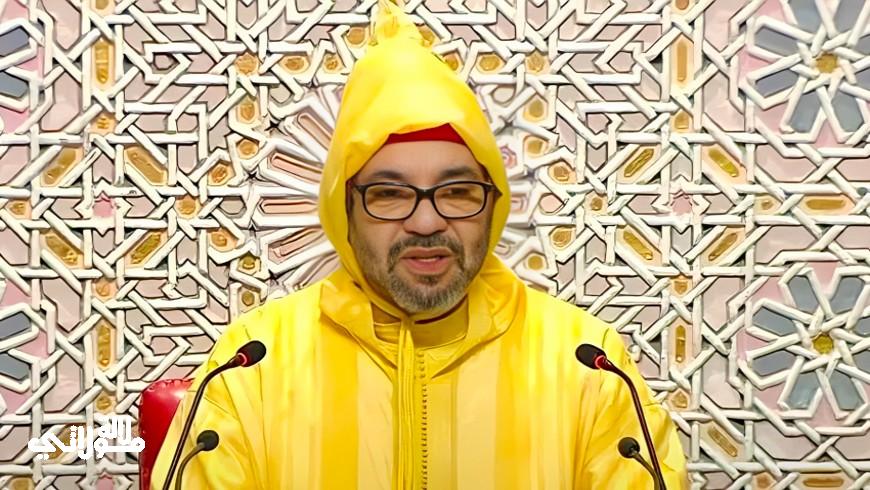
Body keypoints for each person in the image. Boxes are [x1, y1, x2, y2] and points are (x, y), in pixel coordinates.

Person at [149, 1, 688, 488]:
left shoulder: (587, 364)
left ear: (493, 205)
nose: (426, 221)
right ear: (344, 211)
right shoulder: (251, 366)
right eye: (389, 194)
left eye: (456, 191)